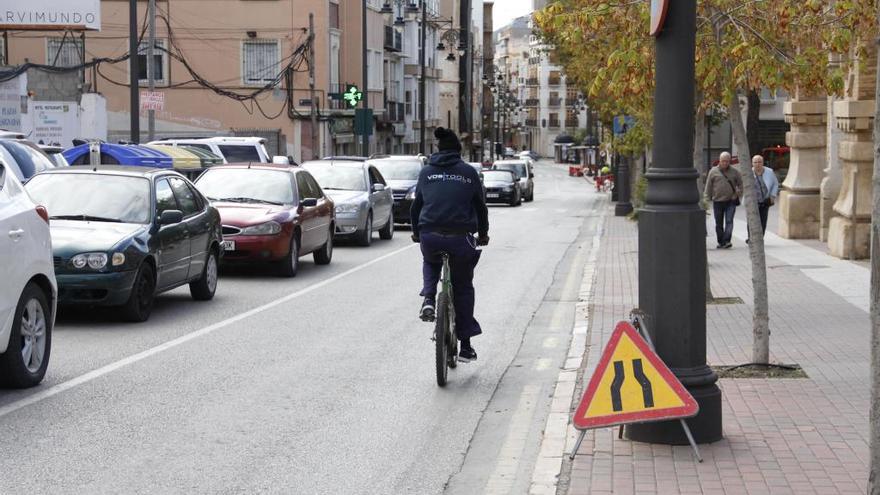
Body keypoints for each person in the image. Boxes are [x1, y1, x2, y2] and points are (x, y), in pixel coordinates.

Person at [411, 127, 490, 363]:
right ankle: (466, 345)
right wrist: (483, 234)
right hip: (460, 237)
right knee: (463, 286)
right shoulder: (468, 173)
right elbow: (480, 207)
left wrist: (417, 232)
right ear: (459, 150)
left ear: (437, 150)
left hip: (430, 234)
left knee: (430, 259)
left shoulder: (426, 173)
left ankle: (428, 299)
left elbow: (416, 207)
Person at [704, 151, 743, 249]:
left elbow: (741, 184)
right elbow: (708, 186)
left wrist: (738, 194)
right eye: (723, 161)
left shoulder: (735, 172)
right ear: (719, 160)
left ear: (729, 161)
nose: (725, 163)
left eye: (727, 161)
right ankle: (721, 241)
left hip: (731, 201)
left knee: (729, 221)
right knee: (719, 223)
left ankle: (727, 241)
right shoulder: (713, 171)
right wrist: (706, 200)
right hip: (717, 201)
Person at [747, 154, 779, 243]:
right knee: (751, 220)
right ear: (752, 163)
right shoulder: (749, 172)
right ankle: (751, 238)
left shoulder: (769, 172)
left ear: (763, 162)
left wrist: (773, 195)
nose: (757, 164)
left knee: (763, 221)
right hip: (752, 201)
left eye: (759, 162)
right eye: (755, 162)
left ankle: (760, 238)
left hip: (765, 201)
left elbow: (775, 184)